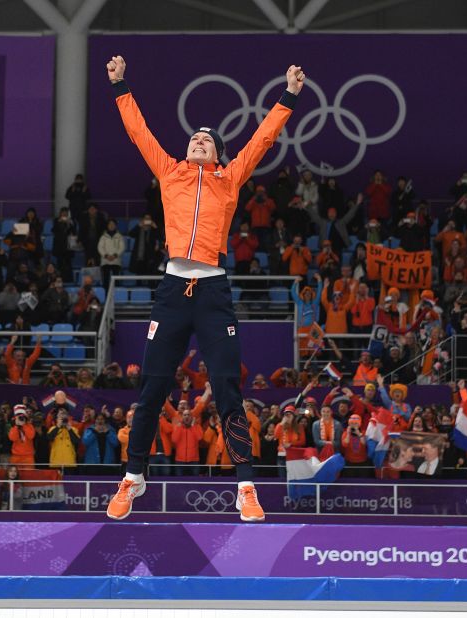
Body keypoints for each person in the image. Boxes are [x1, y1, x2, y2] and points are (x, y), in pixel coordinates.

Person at [103, 54, 304, 523]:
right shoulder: (169, 172)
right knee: (151, 389)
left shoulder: (230, 180)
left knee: (228, 391)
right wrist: (119, 85)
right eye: (194, 138)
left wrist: (289, 93)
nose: (197, 141)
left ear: (217, 155)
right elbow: (139, 132)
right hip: (173, 289)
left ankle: (246, 487)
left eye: (207, 141)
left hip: (212, 294)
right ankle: (133, 479)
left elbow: (263, 139)